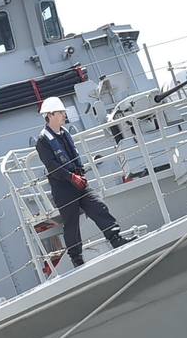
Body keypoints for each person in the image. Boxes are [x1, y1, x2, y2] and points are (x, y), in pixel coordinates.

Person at [35, 97, 127, 268]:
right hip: (63, 187)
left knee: (98, 206)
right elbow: (52, 166)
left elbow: (74, 156)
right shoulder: (43, 140)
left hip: (79, 182)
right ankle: (77, 259)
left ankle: (116, 238)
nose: (64, 115)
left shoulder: (65, 133)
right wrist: (71, 177)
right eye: (61, 112)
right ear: (50, 115)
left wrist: (80, 174)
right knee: (71, 223)